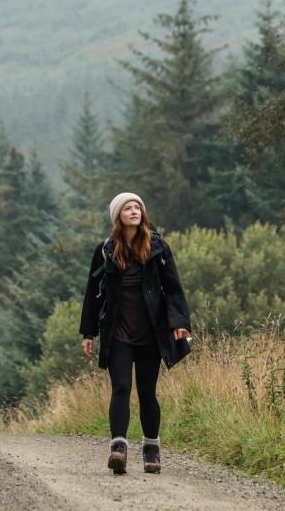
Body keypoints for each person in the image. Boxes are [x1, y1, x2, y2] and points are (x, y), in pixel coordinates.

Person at [79, 192, 192, 475]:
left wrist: (180, 322)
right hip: (118, 332)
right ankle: (118, 447)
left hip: (150, 333)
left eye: (137, 207)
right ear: (118, 216)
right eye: (128, 208)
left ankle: (151, 447)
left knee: (147, 392)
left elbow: (173, 288)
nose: (134, 211)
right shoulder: (105, 250)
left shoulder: (158, 248)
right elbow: (93, 294)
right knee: (120, 387)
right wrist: (88, 333)